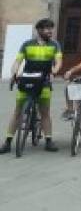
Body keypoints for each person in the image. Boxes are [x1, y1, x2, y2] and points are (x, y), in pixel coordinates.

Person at [1, 19, 63, 154]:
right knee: (17, 112)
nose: (50, 31)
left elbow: (58, 61)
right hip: (27, 79)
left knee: (45, 112)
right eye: (47, 28)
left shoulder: (55, 45)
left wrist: (55, 70)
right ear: (39, 30)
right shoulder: (26, 44)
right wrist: (14, 72)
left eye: (51, 28)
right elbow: (18, 61)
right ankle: (7, 142)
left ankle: (48, 141)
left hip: (44, 81)